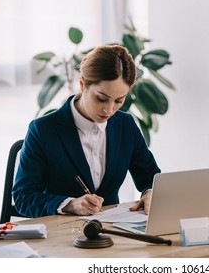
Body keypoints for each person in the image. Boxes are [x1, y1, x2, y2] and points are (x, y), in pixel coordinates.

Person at [12, 45, 160, 218]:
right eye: (101, 99)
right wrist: (69, 204)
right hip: (60, 234)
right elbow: (24, 197)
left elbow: (151, 178)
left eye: (119, 100)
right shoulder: (43, 130)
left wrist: (150, 193)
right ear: (82, 85)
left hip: (112, 233)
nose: (109, 110)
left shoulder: (125, 125)